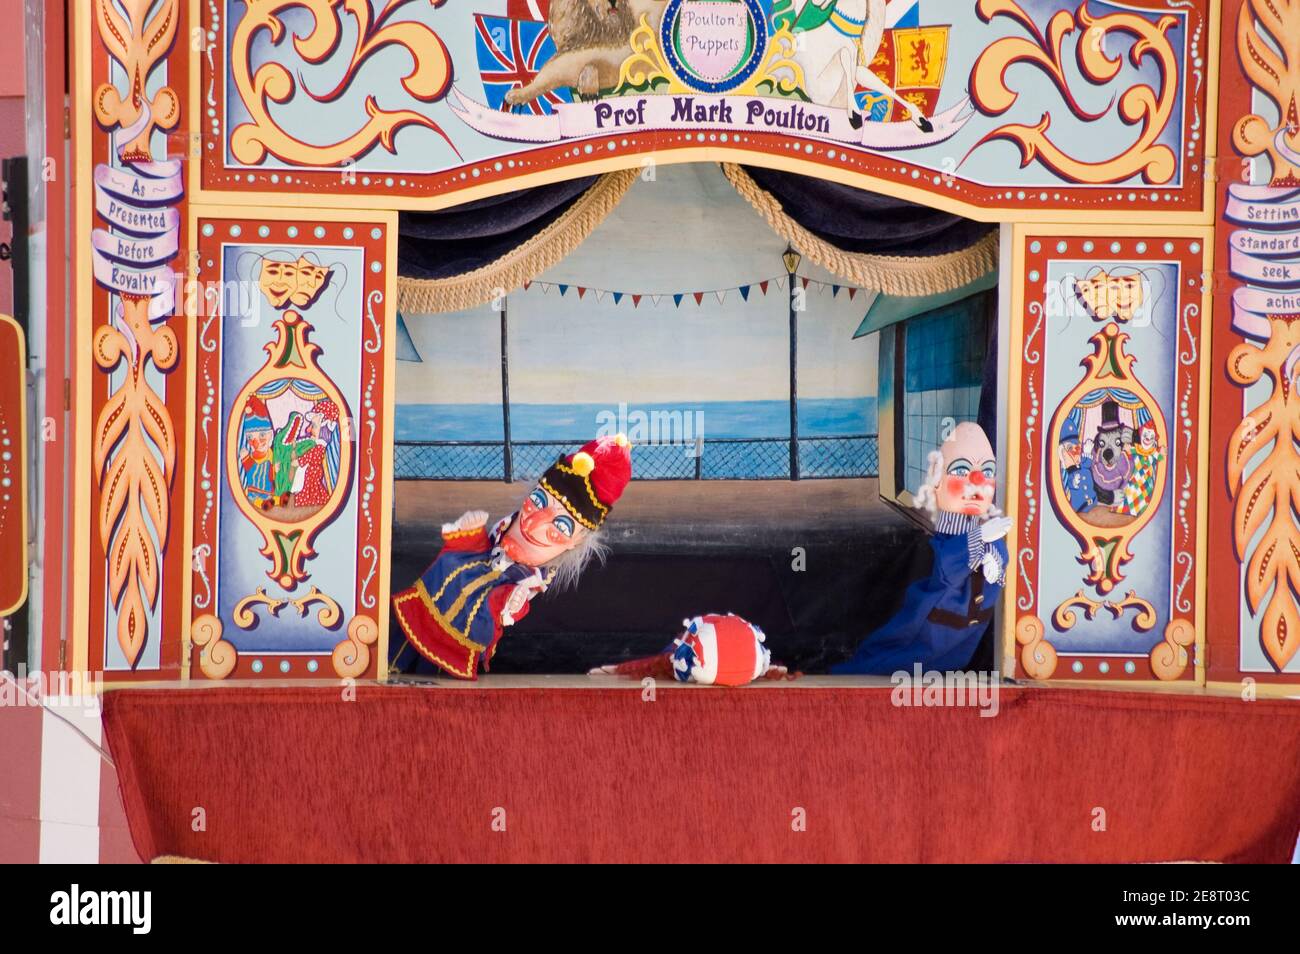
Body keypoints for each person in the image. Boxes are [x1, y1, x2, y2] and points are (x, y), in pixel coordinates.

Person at [391, 434, 632, 680]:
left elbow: (507, 608)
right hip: (445, 593)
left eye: (561, 524)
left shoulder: (531, 578)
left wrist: (510, 603)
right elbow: (476, 552)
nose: (532, 523)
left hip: (470, 620)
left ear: (576, 541)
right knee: (402, 641)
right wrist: (469, 535)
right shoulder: (505, 528)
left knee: (439, 666)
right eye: (538, 500)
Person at [832, 422, 1010, 675]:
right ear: (937, 481)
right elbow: (948, 568)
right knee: (886, 659)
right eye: (961, 469)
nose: (978, 479)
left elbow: (995, 563)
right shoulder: (946, 542)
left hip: (962, 641)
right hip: (925, 632)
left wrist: (994, 556)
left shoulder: (989, 533)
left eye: (987, 470)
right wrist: (980, 538)